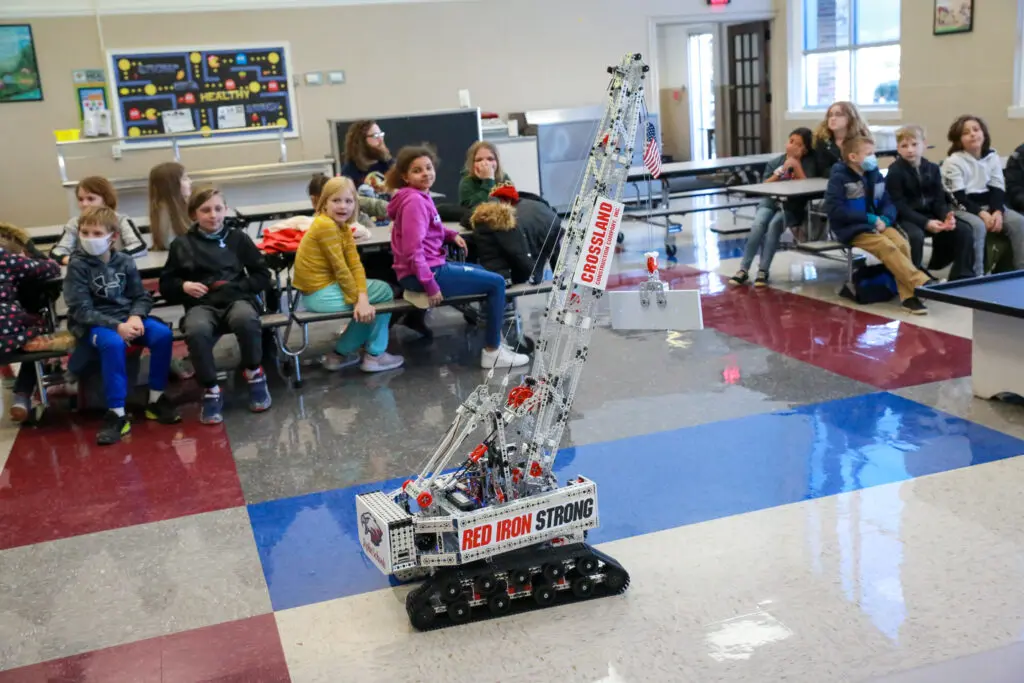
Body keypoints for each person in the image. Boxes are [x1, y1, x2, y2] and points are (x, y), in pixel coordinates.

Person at [387, 146, 529, 368]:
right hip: (425, 272)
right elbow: (412, 249)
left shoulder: (420, 196)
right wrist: (430, 285)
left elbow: (431, 227)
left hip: (425, 269)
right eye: (417, 170)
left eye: (428, 167)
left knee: (487, 275)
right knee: (497, 282)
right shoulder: (414, 202)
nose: (425, 173)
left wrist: (450, 235)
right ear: (405, 176)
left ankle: (495, 341)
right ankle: (492, 351)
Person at [63, 206, 179, 444]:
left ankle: (155, 400)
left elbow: (141, 296)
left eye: (96, 233)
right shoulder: (77, 266)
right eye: (85, 233)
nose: (89, 239)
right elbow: (81, 310)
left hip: (127, 318)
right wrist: (118, 327)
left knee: (163, 335)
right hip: (93, 324)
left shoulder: (124, 261)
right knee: (114, 344)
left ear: (113, 236)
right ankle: (116, 413)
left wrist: (136, 316)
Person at [159, 187, 272, 424]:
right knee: (196, 330)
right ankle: (210, 388)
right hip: (202, 303)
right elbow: (166, 285)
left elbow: (262, 275)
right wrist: (184, 286)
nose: (213, 215)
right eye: (205, 210)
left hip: (236, 298)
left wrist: (239, 287)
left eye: (218, 209)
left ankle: (254, 373)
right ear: (193, 214)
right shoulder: (182, 244)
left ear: (226, 210)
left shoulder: (238, 238)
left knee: (246, 319)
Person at [293, 176, 404, 373]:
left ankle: (339, 355)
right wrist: (359, 300)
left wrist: (362, 298)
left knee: (376, 295)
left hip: (322, 291)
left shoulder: (342, 228)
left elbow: (355, 265)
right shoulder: (325, 225)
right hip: (317, 295)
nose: (343, 206)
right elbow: (341, 269)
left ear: (355, 204)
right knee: (384, 293)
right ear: (323, 203)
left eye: (349, 201)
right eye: (336, 200)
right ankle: (375, 355)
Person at [824, 135, 933, 314]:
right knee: (886, 246)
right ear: (853, 157)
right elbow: (836, 211)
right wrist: (869, 219)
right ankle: (920, 282)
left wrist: (886, 219)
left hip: (879, 223)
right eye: (869, 154)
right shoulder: (839, 178)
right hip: (853, 228)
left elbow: (888, 201)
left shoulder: (874, 175)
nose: (873, 157)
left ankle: (908, 298)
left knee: (901, 244)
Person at [884, 124, 975, 280]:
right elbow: (899, 205)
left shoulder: (932, 168)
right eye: (904, 146)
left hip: (930, 213)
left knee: (964, 229)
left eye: (914, 144)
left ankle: (962, 275)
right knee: (915, 236)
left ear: (924, 145)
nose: (910, 150)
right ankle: (914, 277)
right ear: (898, 149)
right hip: (906, 217)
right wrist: (925, 222)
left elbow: (939, 199)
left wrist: (946, 216)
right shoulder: (895, 171)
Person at [729, 127, 816, 287]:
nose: (792, 146)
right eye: (790, 141)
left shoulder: (809, 164)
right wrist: (779, 174)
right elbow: (764, 186)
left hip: (792, 207)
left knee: (775, 224)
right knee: (759, 224)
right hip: (770, 202)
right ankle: (744, 268)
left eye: (797, 144)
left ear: (804, 149)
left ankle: (763, 269)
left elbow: (808, 186)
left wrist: (796, 167)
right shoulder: (775, 162)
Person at [941, 114, 1024, 275]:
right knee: (978, 227)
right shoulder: (953, 162)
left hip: (990, 206)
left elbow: (998, 188)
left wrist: (998, 212)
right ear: (959, 140)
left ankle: (1020, 272)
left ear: (984, 134)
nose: (972, 134)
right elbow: (958, 198)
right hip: (963, 208)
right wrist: (983, 215)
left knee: (1019, 222)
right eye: (966, 132)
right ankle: (977, 276)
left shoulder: (992, 156)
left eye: (976, 130)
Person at [0, 223, 65, 423]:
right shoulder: (7, 261)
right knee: (37, 332)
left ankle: (17, 391)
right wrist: (32, 249)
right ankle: (22, 394)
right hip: (10, 335)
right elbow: (51, 267)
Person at [50, 176, 147, 264]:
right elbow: (57, 251)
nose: (84, 204)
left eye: (90, 199)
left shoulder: (121, 220)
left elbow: (139, 246)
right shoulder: (75, 223)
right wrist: (73, 261)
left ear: (106, 199)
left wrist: (113, 258)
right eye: (80, 199)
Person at [812, 101, 871, 176]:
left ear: (850, 118)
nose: (833, 118)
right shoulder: (822, 142)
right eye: (830, 115)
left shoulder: (861, 141)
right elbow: (823, 170)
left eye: (839, 115)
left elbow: (867, 167)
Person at [148, 161, 192, 251]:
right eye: (185, 178)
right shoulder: (164, 211)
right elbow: (169, 244)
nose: (190, 181)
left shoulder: (179, 209)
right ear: (172, 185)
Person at [340, 121, 393, 189]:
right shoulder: (350, 171)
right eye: (375, 136)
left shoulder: (390, 165)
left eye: (381, 135)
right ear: (361, 141)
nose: (380, 140)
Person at [459, 141, 511, 209]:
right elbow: (475, 210)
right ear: (472, 163)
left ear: (497, 162)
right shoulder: (467, 182)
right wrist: (488, 180)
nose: (485, 164)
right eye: (479, 160)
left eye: (490, 159)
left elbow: (512, 206)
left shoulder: (503, 178)